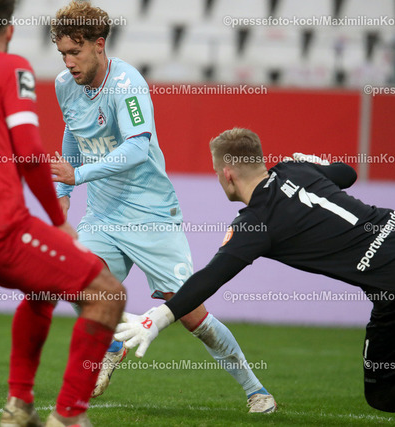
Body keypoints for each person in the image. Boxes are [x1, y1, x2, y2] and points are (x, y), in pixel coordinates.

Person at [49, 1, 276, 413]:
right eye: (62, 53)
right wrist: (63, 190)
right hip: (102, 216)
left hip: (150, 216)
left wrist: (77, 176)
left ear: (99, 45)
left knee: (191, 314)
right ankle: (113, 342)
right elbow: (72, 130)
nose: (68, 62)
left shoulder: (128, 84)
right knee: (77, 283)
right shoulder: (65, 84)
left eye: (75, 52)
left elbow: (137, 148)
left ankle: (255, 389)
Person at [116, 127, 395, 413]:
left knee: (383, 392)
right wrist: (319, 164)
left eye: (216, 172)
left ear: (227, 174)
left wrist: (158, 318)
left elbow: (210, 277)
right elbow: (347, 174)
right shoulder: (294, 169)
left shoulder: (256, 223)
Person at [0, 1, 126, 426]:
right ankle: (69, 416)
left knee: (42, 289)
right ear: (10, 31)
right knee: (107, 295)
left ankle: (19, 407)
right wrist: (58, 220)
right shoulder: (10, 67)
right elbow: (31, 153)